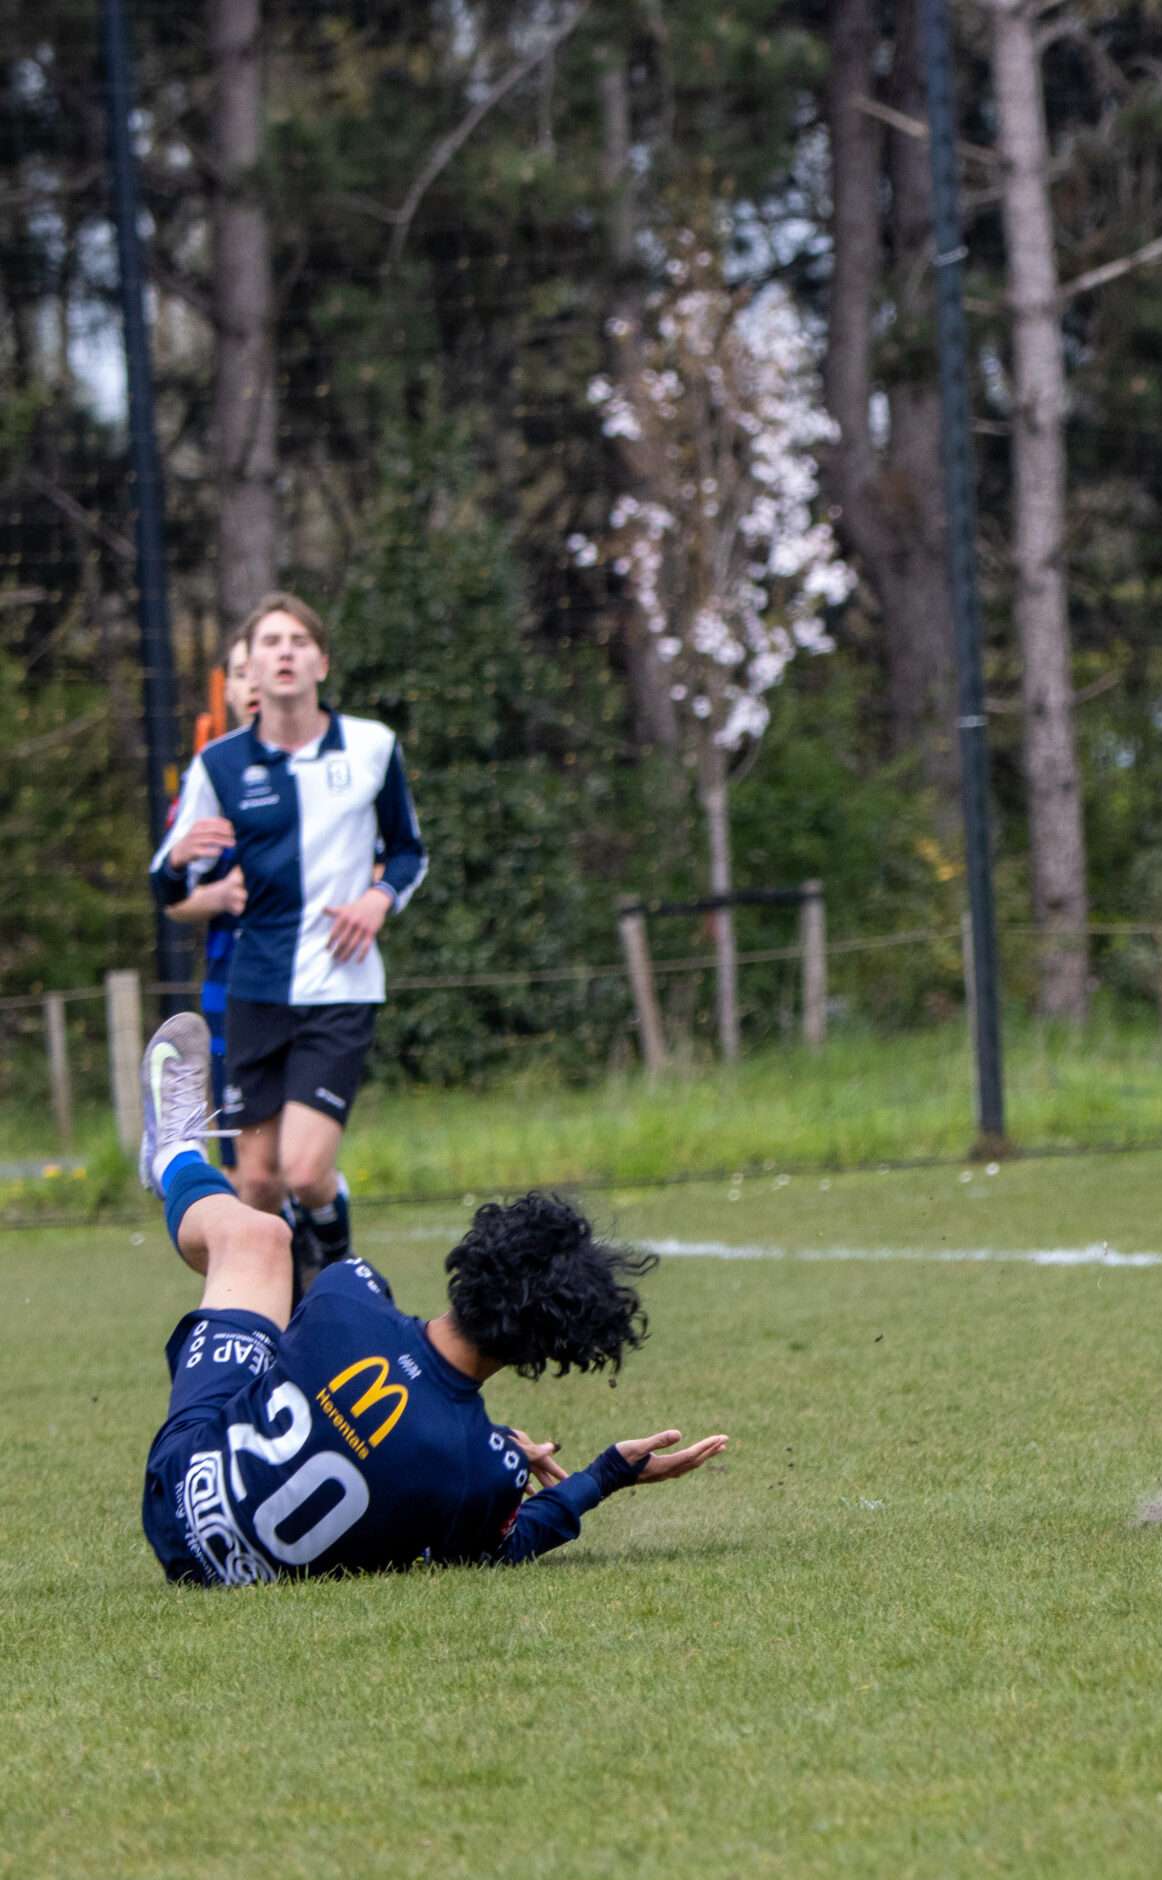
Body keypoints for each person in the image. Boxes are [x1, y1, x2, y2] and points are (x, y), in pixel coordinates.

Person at [133, 1010, 727, 1584]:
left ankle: (174, 1157)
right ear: (545, 1352)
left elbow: (371, 1381)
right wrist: (603, 1474)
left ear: (477, 1254)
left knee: (259, 1240)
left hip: (175, 1494)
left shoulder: (349, 1292)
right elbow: (506, 1544)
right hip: (229, 1576)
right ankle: (172, 1155)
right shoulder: (483, 1470)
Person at [148, 593, 427, 1283]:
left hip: (341, 986)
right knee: (258, 1183)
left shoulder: (371, 746)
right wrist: (181, 864)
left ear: (321, 662)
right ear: (250, 665)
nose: (284, 653)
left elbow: (409, 851)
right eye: (270, 642)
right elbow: (168, 884)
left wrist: (378, 898)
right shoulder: (219, 765)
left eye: (298, 641)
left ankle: (335, 1271)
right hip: (257, 988)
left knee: (305, 1171)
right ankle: (285, 1311)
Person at [162, 628, 256, 1175]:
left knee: (303, 1158)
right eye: (241, 673)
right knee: (243, 1156)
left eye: (260, 668)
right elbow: (173, 898)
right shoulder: (209, 777)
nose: (254, 683)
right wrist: (220, 894)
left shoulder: (327, 767)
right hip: (232, 980)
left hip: (311, 983)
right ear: (229, 689)